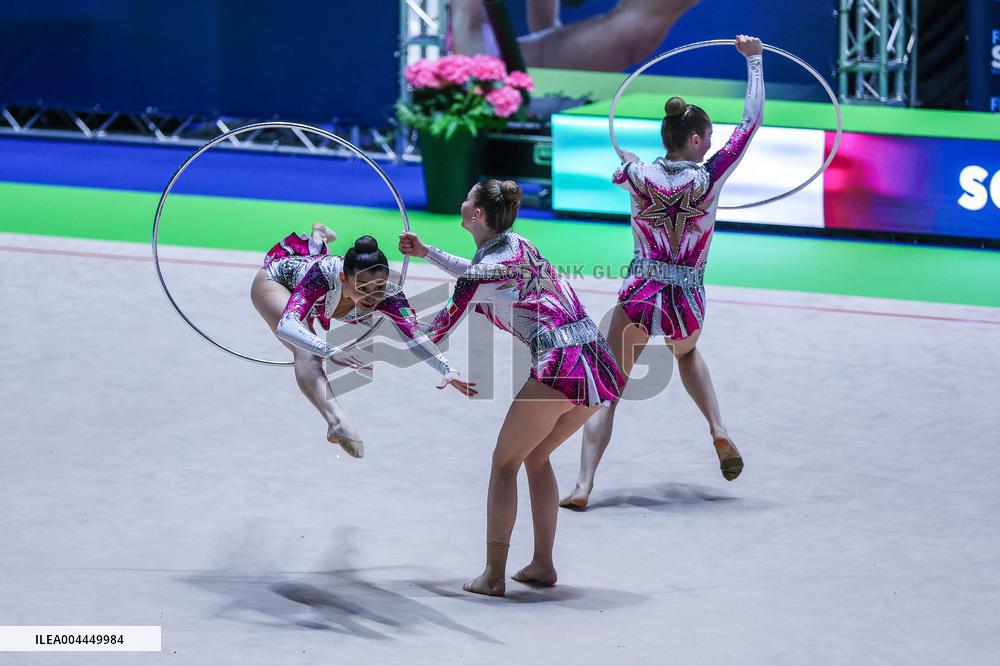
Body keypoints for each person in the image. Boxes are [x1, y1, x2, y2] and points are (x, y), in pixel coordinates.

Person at [560, 35, 764, 509]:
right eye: (708, 138)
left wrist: (632, 163)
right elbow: (750, 123)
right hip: (686, 298)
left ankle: (584, 484)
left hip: (640, 292)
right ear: (696, 140)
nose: (711, 143)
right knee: (688, 356)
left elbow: (629, 166)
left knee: (608, 388)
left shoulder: (636, 175)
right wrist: (754, 62)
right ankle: (717, 428)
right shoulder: (709, 177)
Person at [398, 180, 622, 596]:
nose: (462, 200)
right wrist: (427, 253)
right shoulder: (520, 244)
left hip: (561, 365)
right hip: (597, 361)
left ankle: (492, 575)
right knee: (536, 456)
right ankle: (542, 565)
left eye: (467, 197)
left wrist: (391, 315)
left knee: (505, 463)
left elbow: (437, 332)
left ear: (476, 215)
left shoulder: (480, 274)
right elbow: (479, 272)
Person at [251, 224, 476, 458]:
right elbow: (287, 325)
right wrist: (330, 350)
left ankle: (319, 234)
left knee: (313, 332)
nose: (372, 296)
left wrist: (448, 368)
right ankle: (337, 421)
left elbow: (414, 335)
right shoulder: (323, 276)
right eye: (363, 288)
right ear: (343, 279)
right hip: (277, 280)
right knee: (307, 352)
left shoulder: (389, 295)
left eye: (378, 287)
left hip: (315, 288)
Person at [450, 0, 700, 72]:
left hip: (511, 58)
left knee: (638, 30)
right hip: (483, 59)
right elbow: (465, 23)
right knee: (634, 34)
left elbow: (543, 24)